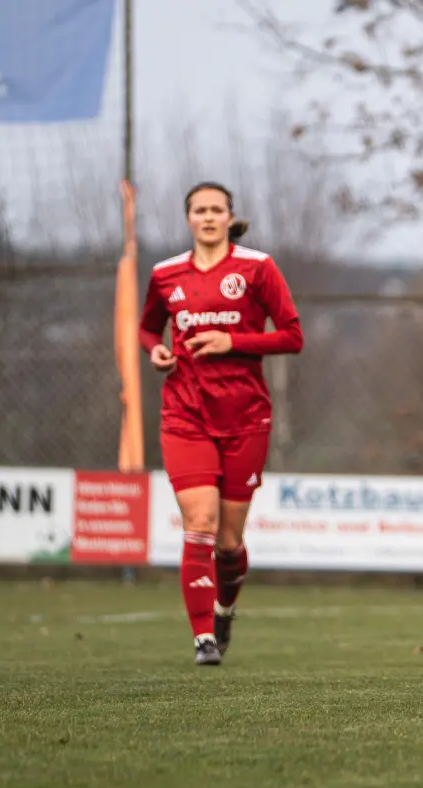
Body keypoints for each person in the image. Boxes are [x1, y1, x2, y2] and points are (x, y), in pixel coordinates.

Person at [139, 181, 304, 666]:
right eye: (199, 210)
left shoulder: (256, 268)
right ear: (188, 218)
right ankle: (203, 638)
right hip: (185, 414)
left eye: (217, 209)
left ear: (230, 217)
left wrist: (234, 343)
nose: (208, 217)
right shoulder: (166, 274)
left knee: (229, 543)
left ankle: (224, 609)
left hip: (245, 417)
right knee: (201, 523)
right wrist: (157, 351)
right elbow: (148, 326)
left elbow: (293, 336)